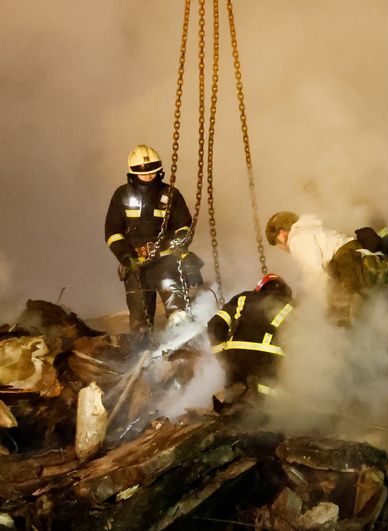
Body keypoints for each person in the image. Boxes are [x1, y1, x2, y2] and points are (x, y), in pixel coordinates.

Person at [104, 145, 199, 332]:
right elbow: (112, 232)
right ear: (132, 173)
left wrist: (182, 248)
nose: (148, 176)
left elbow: (183, 226)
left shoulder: (170, 194)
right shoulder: (122, 195)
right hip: (135, 264)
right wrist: (125, 257)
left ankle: (182, 346)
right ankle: (143, 354)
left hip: (166, 261)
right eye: (144, 173)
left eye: (153, 172)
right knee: (140, 321)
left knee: (178, 312)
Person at [265, 212, 388, 325]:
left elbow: (315, 274)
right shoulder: (315, 230)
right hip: (366, 266)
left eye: (276, 242)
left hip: (349, 268)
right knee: (361, 320)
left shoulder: (297, 238)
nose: (280, 248)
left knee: (338, 323)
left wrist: (316, 310)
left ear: (282, 233)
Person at [208, 273, 294, 397]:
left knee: (233, 401)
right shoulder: (291, 307)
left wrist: (222, 356)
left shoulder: (241, 299)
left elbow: (214, 325)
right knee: (266, 404)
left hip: (235, 362)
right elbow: (298, 343)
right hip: (265, 364)